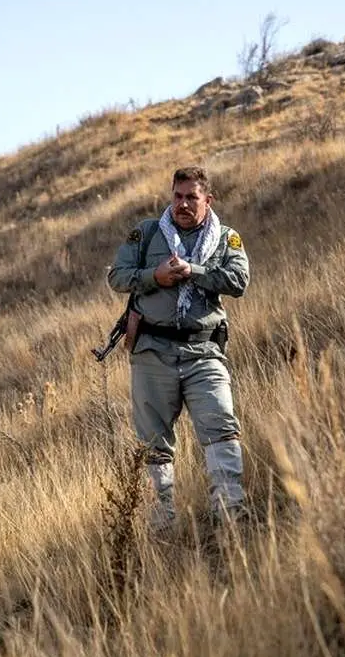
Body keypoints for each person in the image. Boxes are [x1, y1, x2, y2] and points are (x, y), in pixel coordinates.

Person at [106, 165, 250, 528]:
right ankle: (162, 521)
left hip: (204, 352)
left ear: (208, 200)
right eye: (178, 196)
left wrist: (194, 272)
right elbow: (117, 276)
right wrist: (154, 277)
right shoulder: (147, 233)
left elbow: (238, 280)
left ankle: (230, 514)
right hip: (153, 352)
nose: (183, 204)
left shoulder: (226, 238)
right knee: (152, 443)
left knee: (221, 425)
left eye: (192, 198)